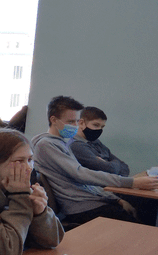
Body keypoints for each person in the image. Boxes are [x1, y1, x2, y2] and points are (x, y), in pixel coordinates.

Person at [32, 96, 158, 226]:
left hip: (92, 200)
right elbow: (81, 174)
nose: (75, 126)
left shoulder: (62, 143)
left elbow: (86, 183)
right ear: (53, 120)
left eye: (77, 121)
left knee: (141, 214)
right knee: (137, 227)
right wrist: (132, 182)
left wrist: (117, 200)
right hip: (80, 206)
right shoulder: (46, 145)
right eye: (70, 121)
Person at [69, 106, 129, 175]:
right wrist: (114, 163)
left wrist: (108, 164)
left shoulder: (96, 142)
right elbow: (110, 170)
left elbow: (125, 168)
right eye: (96, 125)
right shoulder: (76, 145)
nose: (99, 129)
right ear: (81, 123)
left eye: (102, 127)